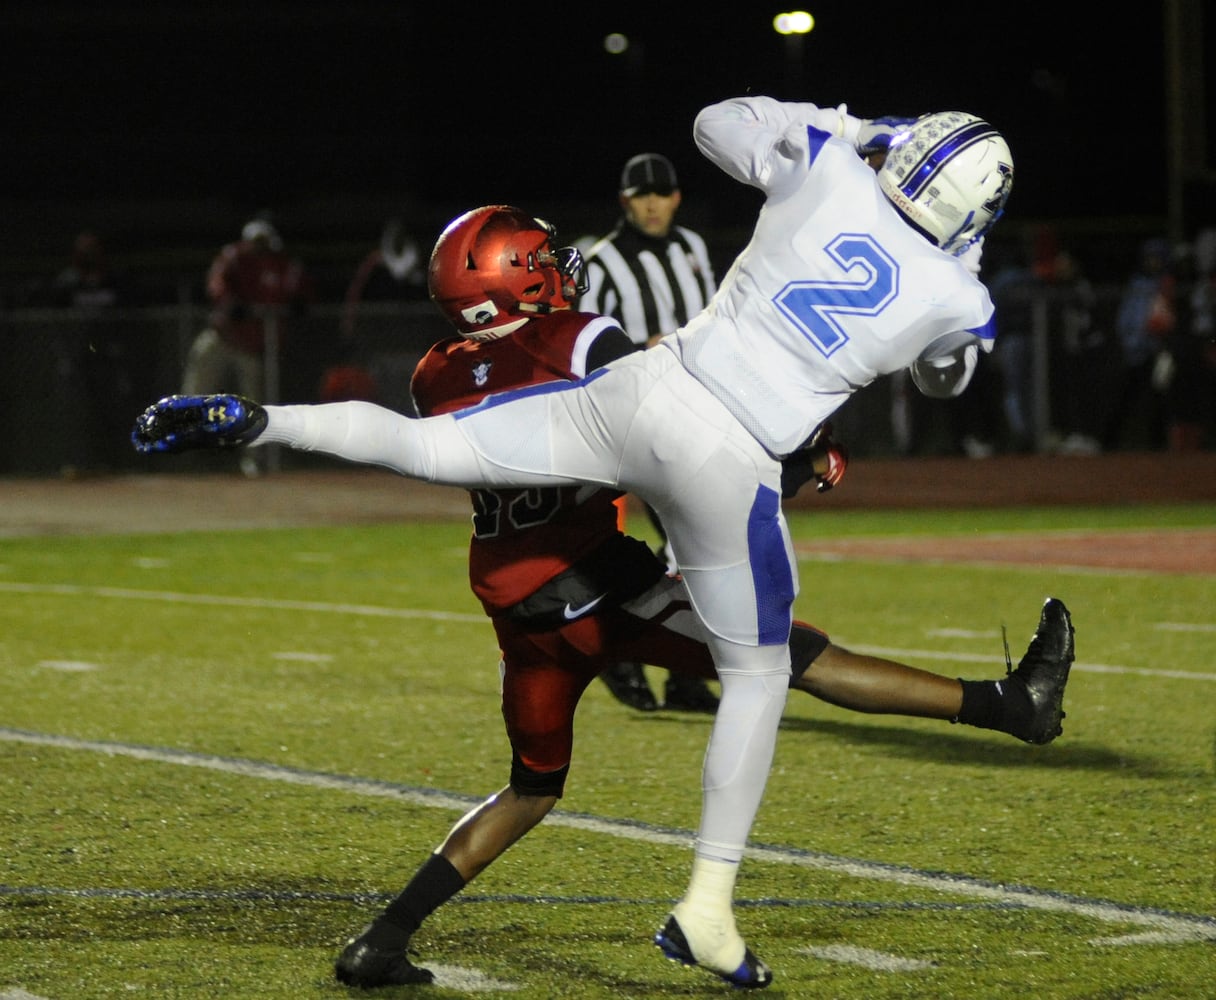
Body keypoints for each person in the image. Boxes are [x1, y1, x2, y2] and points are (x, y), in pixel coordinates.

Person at [132, 97, 1067, 990]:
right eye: (541, 262)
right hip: (603, 580)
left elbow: (440, 441)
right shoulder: (580, 339)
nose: (562, 268)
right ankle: (974, 726)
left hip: (515, 604)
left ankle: (383, 937)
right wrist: (796, 459)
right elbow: (700, 433)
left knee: (533, 783)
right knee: (784, 662)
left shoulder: (433, 371)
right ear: (520, 283)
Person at [577, 152, 720, 712]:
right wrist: (643, 354)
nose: (654, 204)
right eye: (643, 195)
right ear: (626, 201)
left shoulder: (693, 248)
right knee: (695, 533)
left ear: (678, 197)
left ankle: (656, 657)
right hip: (636, 416)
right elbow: (584, 344)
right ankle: (624, 642)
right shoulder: (602, 261)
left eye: (663, 193)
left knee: (696, 538)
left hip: (696, 413)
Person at [181, 217, 313, 472]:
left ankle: (253, 461)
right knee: (194, 394)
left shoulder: (282, 263)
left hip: (252, 345)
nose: (259, 247)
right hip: (221, 336)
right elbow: (216, 285)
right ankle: (184, 454)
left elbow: (300, 291)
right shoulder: (233, 257)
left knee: (251, 407)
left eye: (264, 242)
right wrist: (231, 304)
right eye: (256, 242)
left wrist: (299, 302)